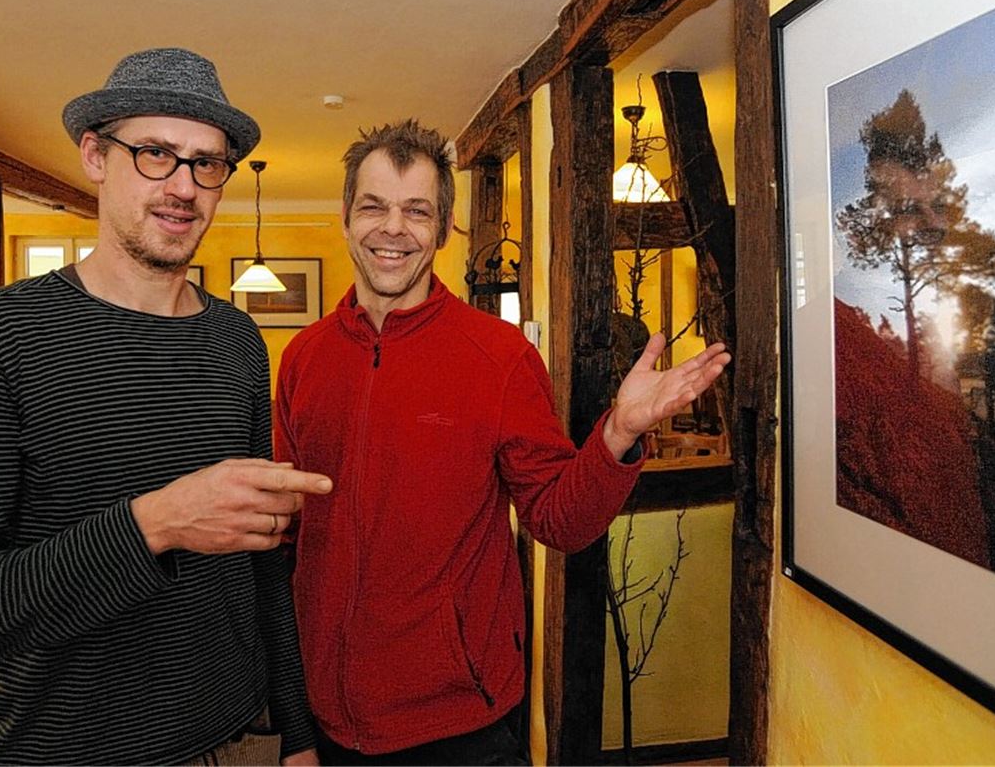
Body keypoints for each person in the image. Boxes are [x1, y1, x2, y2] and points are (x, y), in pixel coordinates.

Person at [275, 119, 731, 765]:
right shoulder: (303, 359)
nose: (393, 229)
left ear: (443, 229)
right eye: (374, 206)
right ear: (347, 215)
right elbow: (288, 543)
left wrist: (620, 433)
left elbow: (558, 519)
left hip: (463, 723)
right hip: (329, 721)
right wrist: (295, 725)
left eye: (417, 211)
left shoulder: (499, 356)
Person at [0, 48, 330, 765]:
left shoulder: (237, 338)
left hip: (239, 738)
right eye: (156, 154)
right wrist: (158, 523)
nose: (184, 186)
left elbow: (262, 564)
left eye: (208, 164)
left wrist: (296, 734)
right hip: (65, 751)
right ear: (94, 155)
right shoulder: (5, 335)